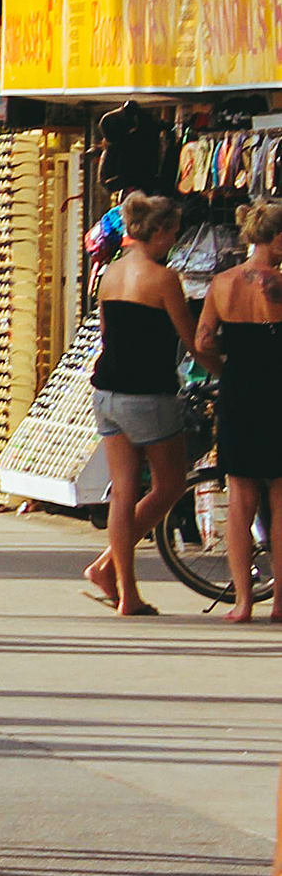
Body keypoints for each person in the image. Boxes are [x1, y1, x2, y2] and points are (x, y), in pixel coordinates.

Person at [90, 193, 198, 617]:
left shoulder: (110, 274)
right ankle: (108, 570)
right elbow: (189, 340)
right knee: (170, 485)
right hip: (148, 393)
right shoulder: (164, 278)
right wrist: (220, 367)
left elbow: (106, 333)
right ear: (157, 231)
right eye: (172, 231)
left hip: (107, 391)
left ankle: (122, 587)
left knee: (123, 491)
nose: (174, 239)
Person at [197, 204, 282, 625]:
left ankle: (244, 602)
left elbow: (204, 339)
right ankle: (281, 602)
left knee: (240, 498)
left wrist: (225, 372)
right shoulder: (280, 284)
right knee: (281, 498)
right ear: (275, 238)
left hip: (239, 390)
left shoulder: (222, 283)